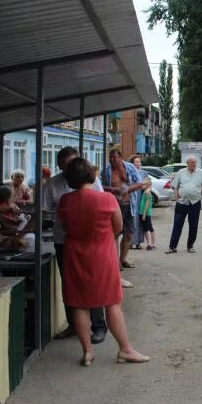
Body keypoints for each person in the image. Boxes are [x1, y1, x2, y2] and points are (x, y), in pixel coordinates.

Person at [57, 157, 149, 366]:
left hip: (75, 256)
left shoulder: (65, 201)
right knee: (112, 303)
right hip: (103, 255)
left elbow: (65, 228)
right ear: (91, 173)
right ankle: (125, 350)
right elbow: (117, 228)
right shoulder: (107, 199)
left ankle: (88, 351)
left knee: (79, 304)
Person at [43, 146, 109, 342]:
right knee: (70, 285)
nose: (69, 170)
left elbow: (104, 209)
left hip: (91, 241)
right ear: (59, 166)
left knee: (93, 281)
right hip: (64, 242)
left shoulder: (93, 182)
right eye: (65, 167)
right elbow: (44, 212)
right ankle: (74, 325)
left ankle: (99, 326)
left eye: (73, 164)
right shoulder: (53, 185)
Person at [102, 149, 143, 277]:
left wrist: (127, 189)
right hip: (114, 207)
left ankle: (123, 259)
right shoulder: (107, 170)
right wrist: (113, 189)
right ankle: (115, 262)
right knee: (115, 234)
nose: (112, 160)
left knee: (129, 233)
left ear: (121, 157)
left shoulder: (130, 168)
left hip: (129, 205)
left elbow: (140, 183)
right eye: (110, 157)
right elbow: (100, 187)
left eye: (114, 157)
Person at [166, 156, 202, 254]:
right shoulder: (181, 172)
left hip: (195, 202)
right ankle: (172, 247)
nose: (194, 164)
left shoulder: (200, 172)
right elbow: (175, 186)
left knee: (193, 226)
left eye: (195, 162)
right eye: (192, 162)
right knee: (177, 225)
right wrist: (176, 199)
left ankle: (190, 246)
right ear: (187, 163)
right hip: (181, 203)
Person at [129, 155, 148, 249]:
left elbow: (148, 184)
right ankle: (130, 242)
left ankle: (138, 242)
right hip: (131, 197)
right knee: (131, 220)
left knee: (140, 221)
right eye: (136, 162)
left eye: (139, 162)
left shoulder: (144, 173)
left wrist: (148, 188)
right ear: (132, 164)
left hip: (140, 198)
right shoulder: (128, 172)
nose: (138, 164)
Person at [138, 177, 156, 251]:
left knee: (146, 229)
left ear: (148, 185)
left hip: (144, 213)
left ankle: (149, 245)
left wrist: (144, 214)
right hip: (146, 213)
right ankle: (152, 244)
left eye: (144, 184)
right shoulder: (147, 191)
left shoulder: (147, 192)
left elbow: (147, 204)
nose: (142, 186)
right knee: (150, 229)